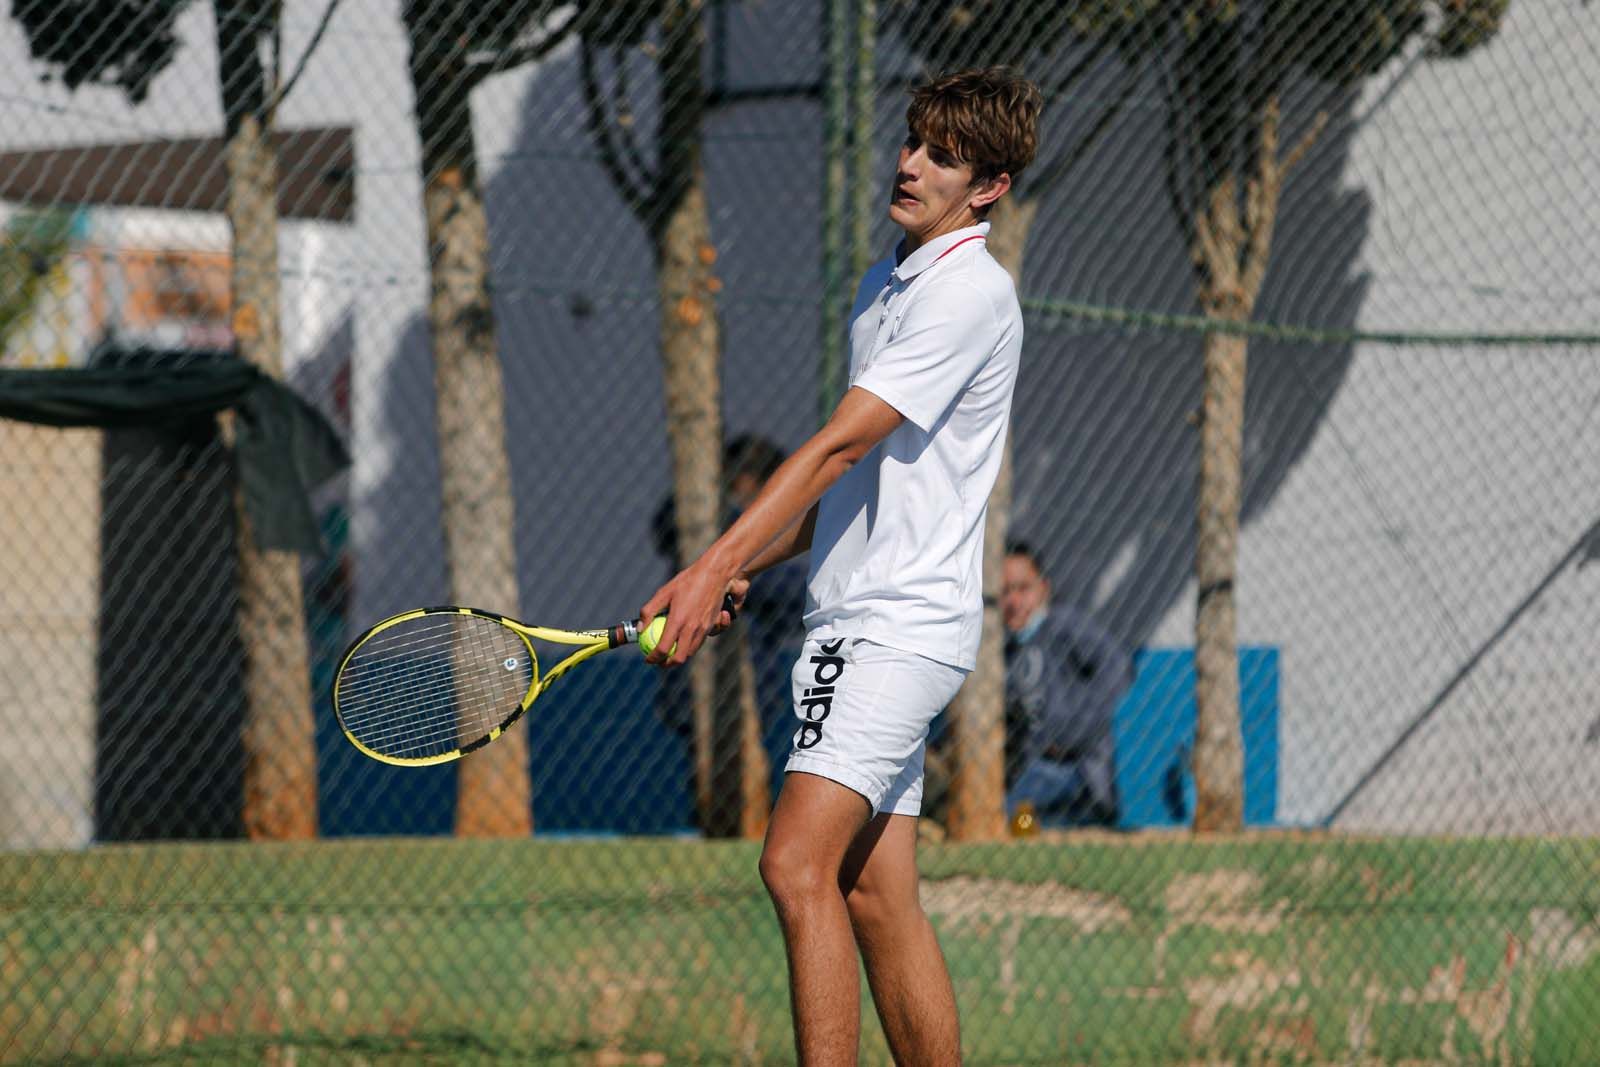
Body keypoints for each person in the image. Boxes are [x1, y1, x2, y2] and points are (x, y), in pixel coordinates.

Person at [639, 67, 1042, 1066]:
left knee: (793, 864)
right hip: (866, 618)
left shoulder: (966, 294)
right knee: (873, 890)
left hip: (890, 627)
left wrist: (710, 561)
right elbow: (854, 495)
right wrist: (747, 564)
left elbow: (838, 447)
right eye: (912, 141)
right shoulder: (887, 283)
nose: (910, 163)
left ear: (985, 187)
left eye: (943, 155)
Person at [999, 542, 1132, 830]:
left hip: (1075, 769)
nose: (1014, 601)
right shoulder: (1003, 649)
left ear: (1044, 588)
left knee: (1010, 815)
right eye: (1005, 591)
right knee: (1012, 814)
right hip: (1032, 769)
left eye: (1023, 589)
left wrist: (1074, 731)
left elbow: (1117, 667)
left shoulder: (1063, 625)